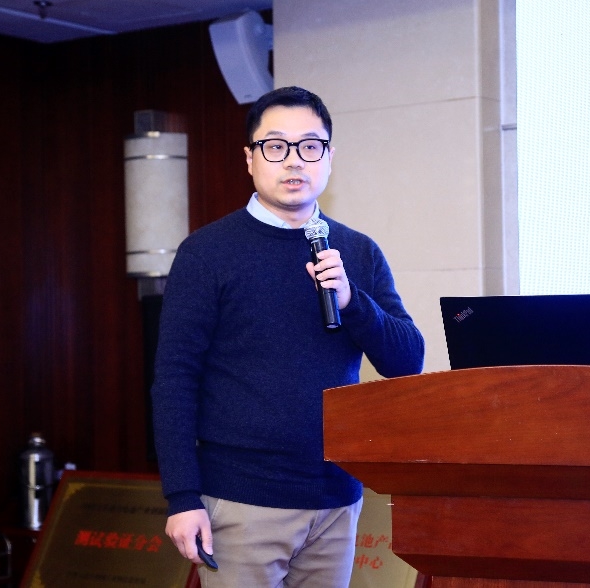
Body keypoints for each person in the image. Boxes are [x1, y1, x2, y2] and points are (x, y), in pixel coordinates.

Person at [151, 85, 425, 587]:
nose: (294, 160)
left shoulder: (357, 251)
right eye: (276, 146)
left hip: (336, 499)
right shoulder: (207, 253)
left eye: (310, 146)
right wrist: (183, 496)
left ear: (329, 158)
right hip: (242, 499)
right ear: (250, 159)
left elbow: (407, 360)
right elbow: (174, 380)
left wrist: (352, 300)